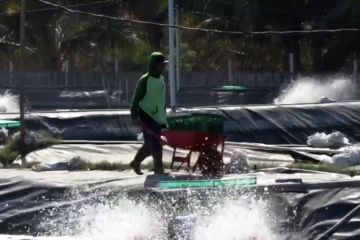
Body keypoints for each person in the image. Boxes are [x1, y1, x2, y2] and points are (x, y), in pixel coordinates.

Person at [130, 52, 168, 175]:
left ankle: (135, 162)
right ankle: (159, 168)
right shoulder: (145, 80)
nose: (163, 68)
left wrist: (163, 114)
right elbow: (136, 100)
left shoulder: (161, 79)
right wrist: (134, 116)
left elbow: (161, 98)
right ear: (153, 65)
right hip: (147, 115)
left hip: (159, 116)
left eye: (164, 65)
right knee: (155, 141)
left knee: (151, 143)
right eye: (160, 65)